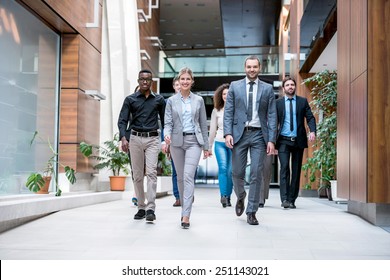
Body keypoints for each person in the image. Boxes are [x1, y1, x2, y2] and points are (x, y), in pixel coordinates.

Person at [224, 55, 277, 226]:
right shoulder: (235, 86)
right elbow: (228, 112)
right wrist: (227, 133)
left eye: (255, 67)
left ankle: (252, 211)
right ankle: (240, 196)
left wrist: (271, 140)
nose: (252, 70)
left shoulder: (267, 89)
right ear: (245, 68)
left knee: (256, 173)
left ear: (259, 68)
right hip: (239, 134)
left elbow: (272, 115)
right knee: (237, 173)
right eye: (249, 67)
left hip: (259, 135)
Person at [164, 67, 210, 229]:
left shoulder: (198, 100)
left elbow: (203, 125)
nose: (185, 81)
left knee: (188, 176)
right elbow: (167, 123)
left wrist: (206, 146)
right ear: (178, 81)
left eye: (187, 79)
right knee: (181, 178)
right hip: (176, 142)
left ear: (192, 82)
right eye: (182, 79)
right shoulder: (171, 101)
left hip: (194, 142)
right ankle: (185, 206)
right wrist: (166, 135)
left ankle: (186, 215)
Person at [118, 69, 166, 222]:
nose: (145, 82)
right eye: (142, 79)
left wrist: (166, 140)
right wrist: (123, 138)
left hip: (152, 139)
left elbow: (165, 121)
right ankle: (141, 207)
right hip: (135, 139)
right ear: (138, 81)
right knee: (137, 175)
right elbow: (122, 120)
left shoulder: (159, 100)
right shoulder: (130, 99)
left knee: (151, 172)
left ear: (151, 81)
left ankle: (150, 208)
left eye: (148, 79)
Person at [276, 76, 316, 209]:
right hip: (283, 141)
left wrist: (312, 131)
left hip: (298, 140)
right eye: (287, 85)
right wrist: (271, 141)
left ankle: (292, 199)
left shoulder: (302, 101)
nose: (290, 87)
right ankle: (284, 199)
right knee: (285, 168)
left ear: (295, 87)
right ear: (283, 88)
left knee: (296, 170)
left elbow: (310, 117)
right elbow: (273, 122)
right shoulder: (278, 103)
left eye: (292, 85)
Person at [208, 83, 233, 208]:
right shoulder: (216, 111)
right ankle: (223, 196)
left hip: (234, 144)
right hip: (220, 142)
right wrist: (209, 146)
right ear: (220, 96)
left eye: (228, 93)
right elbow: (212, 130)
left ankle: (228, 196)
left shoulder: (237, 109)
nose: (226, 96)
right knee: (223, 168)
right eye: (224, 94)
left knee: (231, 171)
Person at [170, 77, 181, 207]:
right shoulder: (169, 102)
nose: (179, 86)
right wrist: (165, 141)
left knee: (189, 171)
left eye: (180, 84)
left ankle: (187, 193)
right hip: (173, 140)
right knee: (175, 170)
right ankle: (178, 196)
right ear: (173, 86)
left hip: (189, 140)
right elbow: (166, 123)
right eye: (177, 84)